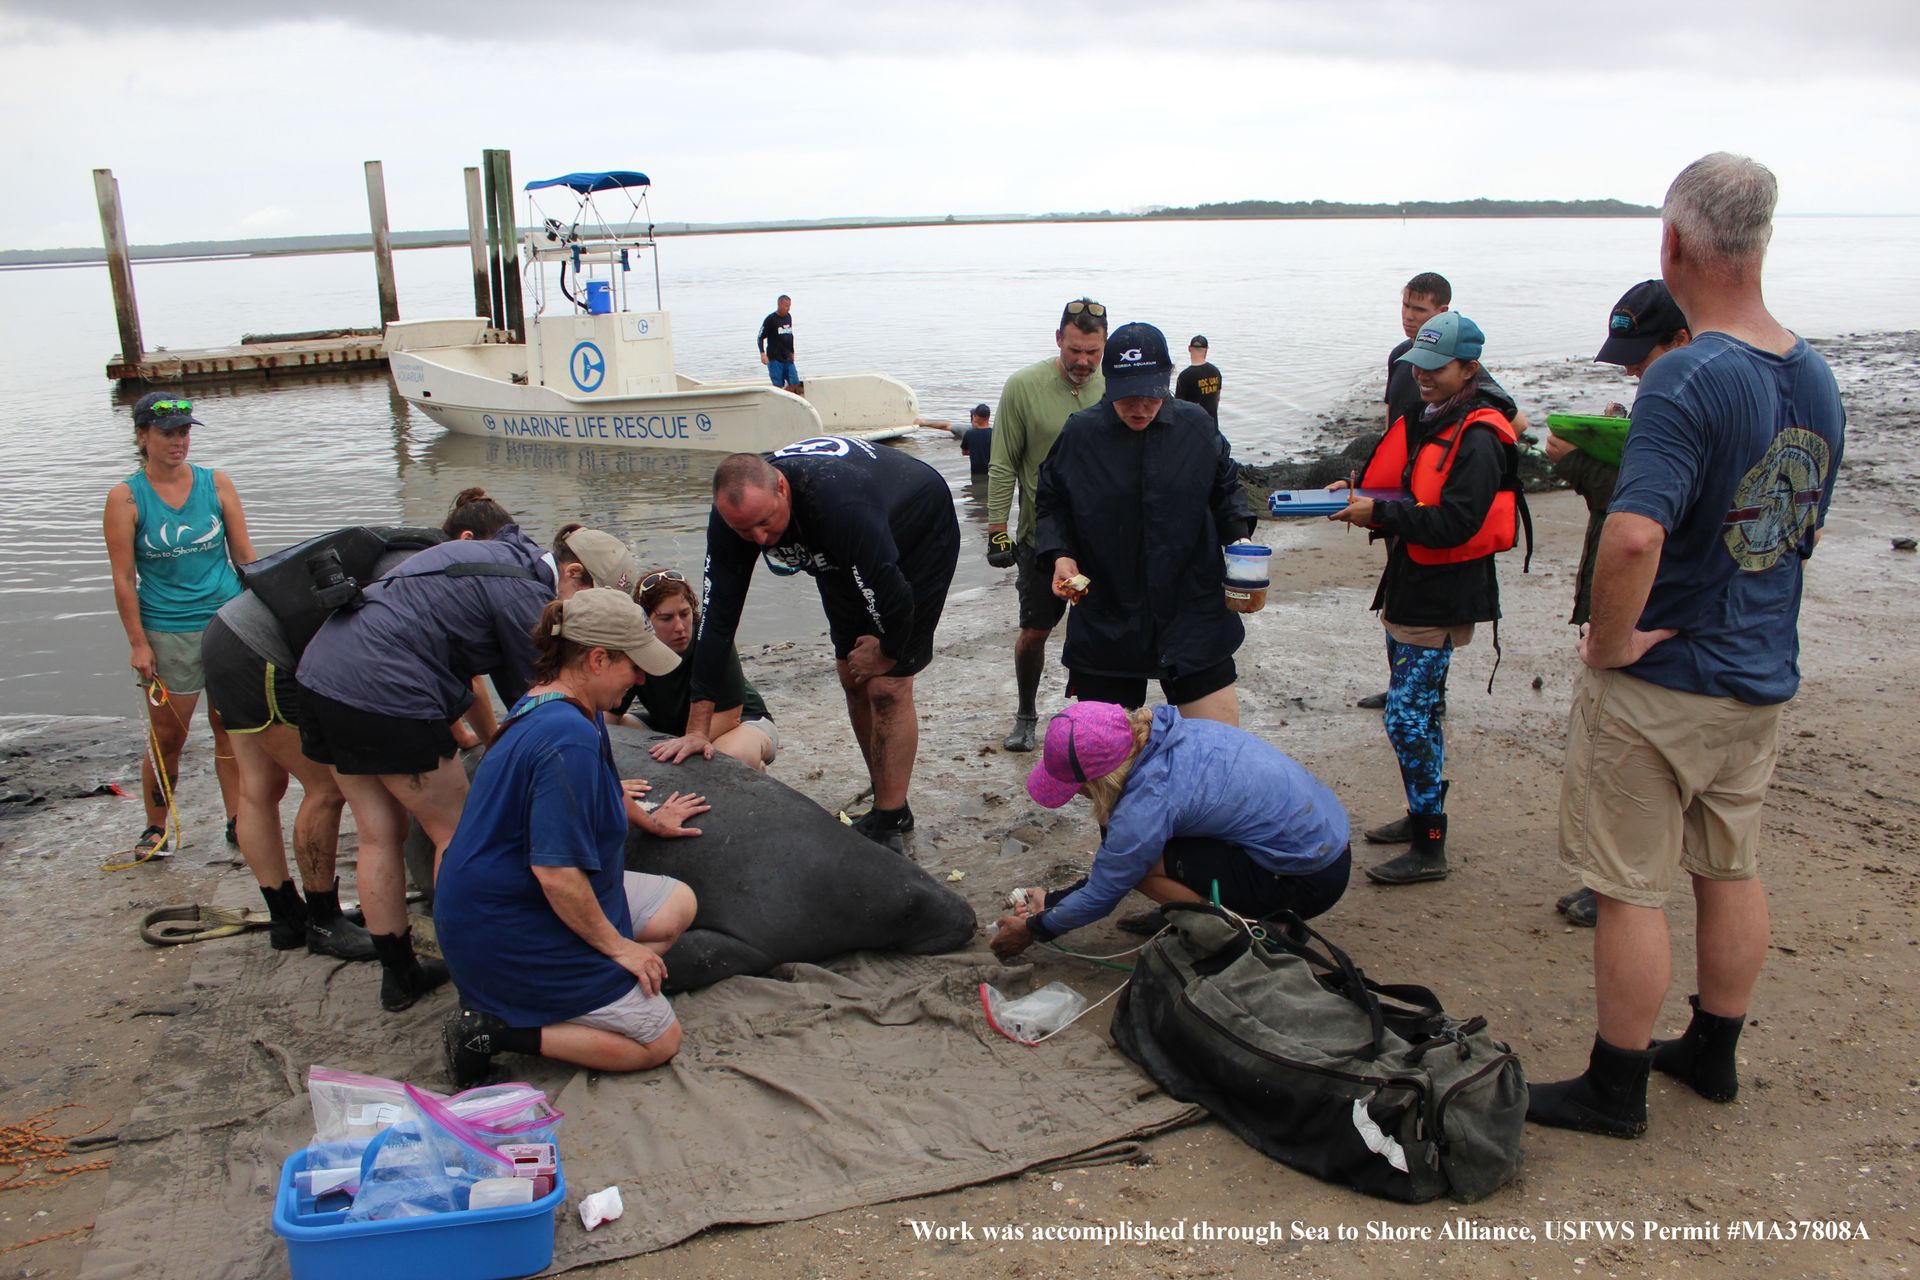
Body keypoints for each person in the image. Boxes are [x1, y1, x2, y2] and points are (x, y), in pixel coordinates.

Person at [1528, 154, 1845, 1139]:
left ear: (1672, 245)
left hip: (1669, 677)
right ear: (1760, 242)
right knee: (1729, 862)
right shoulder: (1814, 374)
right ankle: (1714, 1050)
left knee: (1629, 885)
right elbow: (1802, 525)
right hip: (1759, 671)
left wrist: (1612, 642)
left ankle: (1615, 1082)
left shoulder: (1683, 376)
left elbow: (1633, 534)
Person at [297, 523, 641, 1012]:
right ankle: (471, 965)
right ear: (572, 573)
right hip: (385, 688)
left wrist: (488, 742)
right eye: (595, 601)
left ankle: (399, 975)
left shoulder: (503, 554)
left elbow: (495, 685)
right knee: (455, 833)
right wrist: (610, 787)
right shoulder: (530, 601)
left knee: (377, 832)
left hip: (322, 672)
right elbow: (562, 701)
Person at [198, 490, 515, 962]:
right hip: (267, 654)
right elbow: (452, 670)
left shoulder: (404, 548)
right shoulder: (438, 567)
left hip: (227, 632)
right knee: (326, 787)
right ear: (469, 541)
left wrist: (467, 734)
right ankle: (323, 920)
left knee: (258, 786)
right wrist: (489, 740)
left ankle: (287, 918)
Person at [437, 589, 702, 1086]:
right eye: (634, 667)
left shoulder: (563, 702)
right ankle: (497, 1031)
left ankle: (587, 996)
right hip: (513, 922)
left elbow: (600, 783)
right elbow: (556, 874)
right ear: (598, 659)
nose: (642, 679)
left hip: (501, 901)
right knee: (659, 1040)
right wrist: (620, 949)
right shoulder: (567, 736)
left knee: (677, 904)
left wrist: (648, 818)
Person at [656, 438, 959, 853]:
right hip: (835, 548)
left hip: (917, 528)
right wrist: (697, 730)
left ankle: (890, 820)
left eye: (765, 522)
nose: (760, 539)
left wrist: (888, 651)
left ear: (782, 488)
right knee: (853, 676)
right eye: (744, 530)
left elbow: (895, 596)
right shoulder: (736, 517)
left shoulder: (840, 506)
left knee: (886, 686)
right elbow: (718, 619)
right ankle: (890, 797)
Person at [1330, 310, 1525, 885]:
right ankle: (1422, 816)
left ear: (1469, 368)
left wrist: (1379, 513)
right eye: (1419, 364)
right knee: (1421, 711)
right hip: (1410, 586)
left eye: (1437, 368)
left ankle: (1430, 848)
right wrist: (1362, 491)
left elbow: (1457, 522)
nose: (1423, 376)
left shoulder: (1482, 436)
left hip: (1443, 597)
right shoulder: (1430, 416)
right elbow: (1409, 484)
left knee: (1407, 717)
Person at [1545, 281, 1691, 929]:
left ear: (1681, 340)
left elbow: (1633, 519)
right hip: (1661, 618)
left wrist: (1578, 461)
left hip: (1644, 620)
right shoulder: (1680, 397)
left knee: (1619, 763)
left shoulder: (1682, 404)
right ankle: (1619, 883)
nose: (1632, 367)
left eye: (1641, 354)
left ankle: (1616, 890)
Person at [988, 702, 1350, 959]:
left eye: (1077, 788)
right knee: (1140, 853)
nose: (1078, 796)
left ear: (1098, 781)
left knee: (1144, 868)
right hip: (1326, 845)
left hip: (1306, 878)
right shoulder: (1165, 733)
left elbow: (1108, 887)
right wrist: (1051, 901)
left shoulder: (1147, 802)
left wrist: (1035, 930)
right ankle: (1213, 911)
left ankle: (1233, 935)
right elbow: (1115, 864)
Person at [1036, 321, 1254, 725]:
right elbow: (1051, 503)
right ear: (1109, 381)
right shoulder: (1080, 434)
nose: (1139, 408)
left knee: (1216, 747)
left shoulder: (1196, 426)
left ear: (1167, 381)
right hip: (1109, 609)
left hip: (1192, 605)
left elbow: (1226, 490)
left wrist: (1238, 541)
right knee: (1102, 761)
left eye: (1150, 396)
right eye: (1127, 397)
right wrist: (1060, 555)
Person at [102, 392, 251, 861]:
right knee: (169, 736)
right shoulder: (126, 497)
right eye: (167, 433)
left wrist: (266, 618)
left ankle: (238, 820)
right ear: (142, 435)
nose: (178, 441)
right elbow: (124, 578)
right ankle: (155, 826)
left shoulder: (217, 483)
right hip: (167, 630)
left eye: (185, 432)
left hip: (227, 621)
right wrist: (138, 644)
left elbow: (246, 560)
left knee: (230, 727)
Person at [985, 299, 1109, 751]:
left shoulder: (1115, 384)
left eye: (1092, 352)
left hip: (1102, 540)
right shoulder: (1023, 387)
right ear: (1059, 339)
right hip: (1041, 539)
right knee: (1035, 631)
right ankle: (1026, 713)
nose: (1082, 362)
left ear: (1104, 346)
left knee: (1102, 631)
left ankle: (1096, 719)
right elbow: (1002, 465)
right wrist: (998, 529)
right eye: (1074, 350)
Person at [618, 569, 777, 771]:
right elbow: (610, 712)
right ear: (646, 621)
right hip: (671, 728)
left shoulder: (710, 638)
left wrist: (684, 743)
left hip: (739, 723)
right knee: (609, 732)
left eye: (684, 614)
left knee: (729, 758)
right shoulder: (635, 646)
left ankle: (757, 771)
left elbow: (731, 716)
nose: (680, 627)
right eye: (666, 618)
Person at [757, 294, 801, 396]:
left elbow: (790, 335)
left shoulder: (788, 317)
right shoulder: (770, 319)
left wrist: (792, 351)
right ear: (779, 304)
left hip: (787, 356)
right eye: (786, 306)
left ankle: (783, 397)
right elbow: (760, 337)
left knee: (795, 382)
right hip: (775, 358)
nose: (788, 309)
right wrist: (762, 353)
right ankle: (780, 398)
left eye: (789, 306)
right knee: (778, 386)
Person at [1174, 334, 1222, 423]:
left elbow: (1178, 406)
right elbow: (1217, 399)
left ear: (1189, 348)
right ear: (1206, 350)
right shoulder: (1215, 371)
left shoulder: (1185, 376)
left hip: (1192, 426)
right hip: (1212, 425)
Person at [958, 404, 993, 486]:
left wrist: (975, 451)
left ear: (976, 417)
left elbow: (964, 452)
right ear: (988, 417)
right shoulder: (995, 433)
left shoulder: (969, 434)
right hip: (992, 470)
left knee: (976, 491)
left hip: (976, 471)